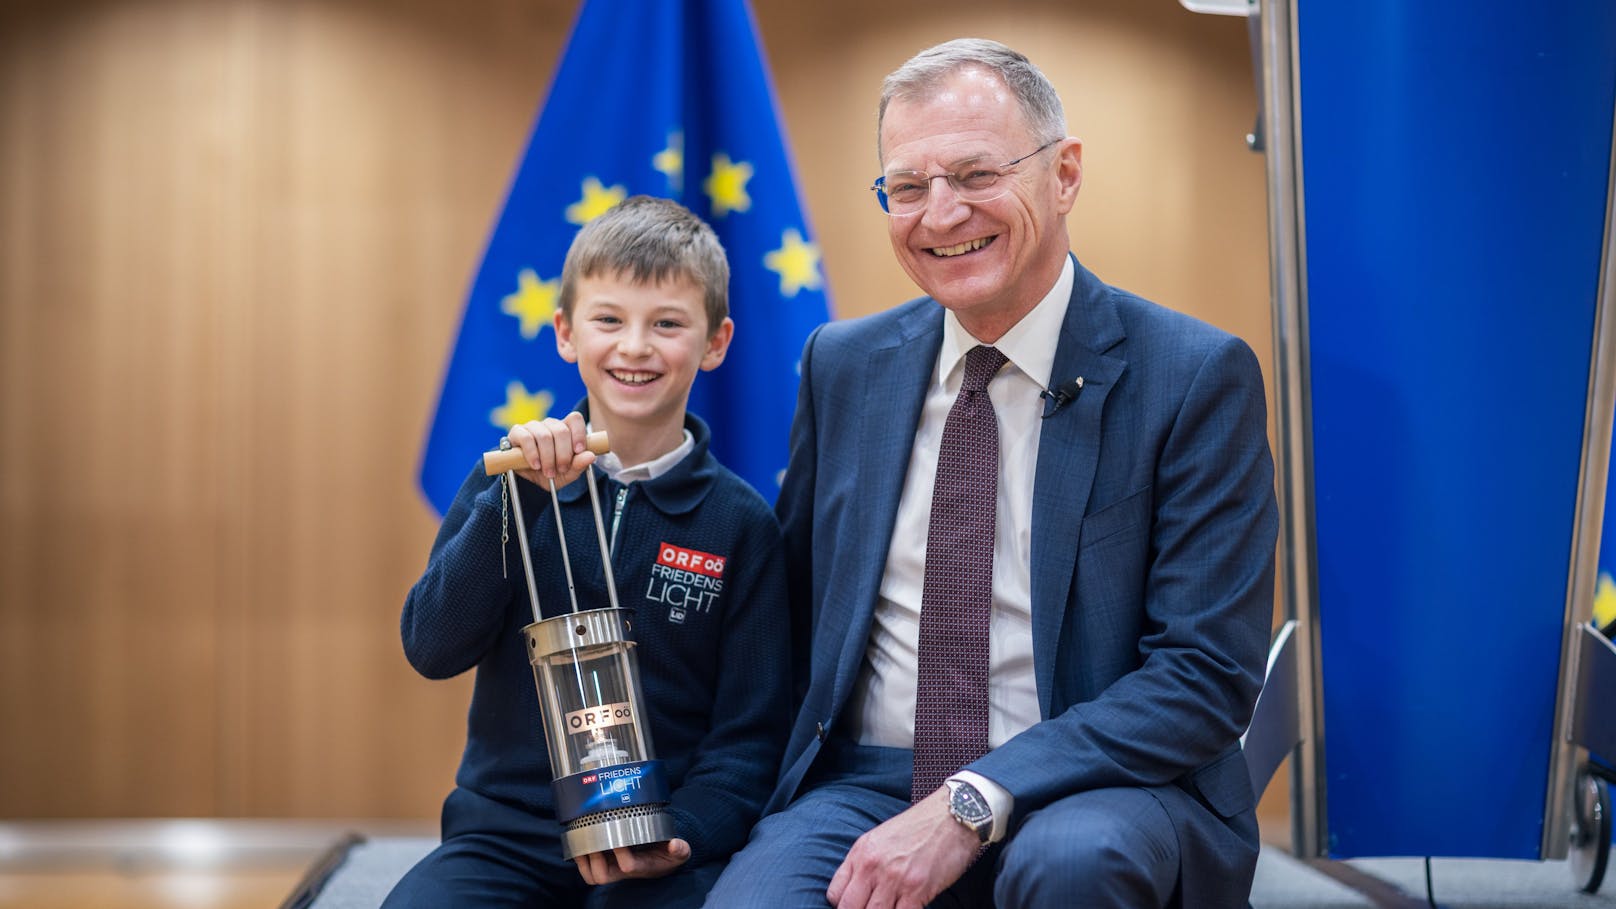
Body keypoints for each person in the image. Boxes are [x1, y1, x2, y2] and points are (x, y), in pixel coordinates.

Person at [705, 38, 1277, 909]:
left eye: (976, 174)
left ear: (1066, 173)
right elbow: (782, 609)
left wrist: (973, 800)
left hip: (1096, 780)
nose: (941, 214)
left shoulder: (1193, 376)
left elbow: (1203, 675)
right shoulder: (842, 364)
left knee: (1075, 864)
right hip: (869, 778)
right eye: (907, 186)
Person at [385, 195, 790, 908]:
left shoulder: (742, 525)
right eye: (609, 320)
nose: (635, 346)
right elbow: (432, 645)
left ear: (716, 341)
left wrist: (681, 832)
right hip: (502, 840)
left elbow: (750, 739)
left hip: (658, 841)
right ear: (567, 333)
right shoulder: (503, 483)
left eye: (667, 324)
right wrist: (523, 497)